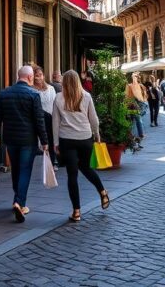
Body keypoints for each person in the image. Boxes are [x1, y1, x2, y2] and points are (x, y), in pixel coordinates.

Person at [0, 65, 48, 222]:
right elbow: (39, 120)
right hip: (28, 140)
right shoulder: (34, 94)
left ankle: (17, 198)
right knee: (25, 170)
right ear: (29, 77)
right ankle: (19, 202)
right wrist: (44, 141)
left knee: (16, 169)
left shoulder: (5, 93)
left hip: (10, 139)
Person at [52, 70, 109, 222]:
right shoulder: (86, 96)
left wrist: (55, 142)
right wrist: (97, 134)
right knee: (86, 167)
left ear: (64, 82)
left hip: (66, 139)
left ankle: (76, 212)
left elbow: (55, 122)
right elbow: (94, 118)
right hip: (85, 138)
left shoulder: (58, 97)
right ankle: (102, 191)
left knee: (72, 175)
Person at [32, 65, 58, 168]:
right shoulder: (31, 90)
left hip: (50, 119)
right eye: (36, 75)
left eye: (40, 75)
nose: (39, 77)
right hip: (37, 120)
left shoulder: (51, 88)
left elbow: (55, 104)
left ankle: (52, 162)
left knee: (50, 140)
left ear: (43, 75)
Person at [126, 73, 148, 144]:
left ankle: (131, 134)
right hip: (136, 106)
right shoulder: (139, 86)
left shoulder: (131, 86)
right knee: (137, 119)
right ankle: (140, 134)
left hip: (131, 105)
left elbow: (126, 96)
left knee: (131, 120)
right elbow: (144, 97)